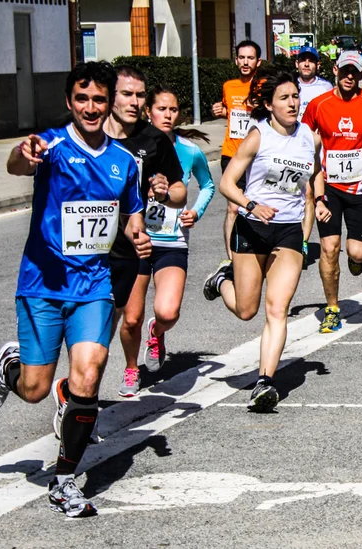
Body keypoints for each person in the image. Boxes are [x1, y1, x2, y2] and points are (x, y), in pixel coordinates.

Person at [0, 61, 149, 516]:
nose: (90, 108)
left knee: (89, 372)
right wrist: (23, 150)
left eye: (98, 99)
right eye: (81, 99)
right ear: (69, 102)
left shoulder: (123, 161)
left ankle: (64, 479)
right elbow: (18, 164)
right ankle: (10, 367)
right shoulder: (50, 146)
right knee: (35, 389)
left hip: (93, 285)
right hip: (42, 285)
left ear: (109, 101)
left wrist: (137, 233)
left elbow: (131, 216)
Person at [202, 69, 331, 412]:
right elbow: (227, 183)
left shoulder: (309, 137)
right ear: (270, 105)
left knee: (278, 309)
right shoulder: (258, 136)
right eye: (284, 98)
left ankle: (264, 382)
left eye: (295, 97)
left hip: (288, 230)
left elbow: (314, 171)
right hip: (253, 226)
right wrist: (251, 205)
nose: (292, 103)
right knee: (247, 310)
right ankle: (221, 280)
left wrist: (319, 201)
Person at [118, 85, 215, 397]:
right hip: (136, 242)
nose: (168, 115)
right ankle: (132, 369)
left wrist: (195, 212)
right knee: (130, 317)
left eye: (173, 110)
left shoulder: (189, 151)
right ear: (149, 112)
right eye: (161, 109)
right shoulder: (131, 147)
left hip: (172, 240)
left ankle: (156, 332)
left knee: (168, 312)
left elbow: (208, 184)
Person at [103, 66, 186, 393]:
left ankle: (143, 351)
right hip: (105, 245)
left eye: (140, 95)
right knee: (116, 322)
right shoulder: (92, 135)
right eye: (127, 94)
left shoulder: (154, 140)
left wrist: (167, 191)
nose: (135, 102)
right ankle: (122, 371)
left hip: (146, 240)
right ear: (111, 98)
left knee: (149, 314)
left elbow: (180, 192)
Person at [302, 51, 362, 333]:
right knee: (329, 248)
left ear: (361, 73)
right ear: (335, 70)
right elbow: (305, 141)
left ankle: (357, 260)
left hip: (360, 189)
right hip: (328, 187)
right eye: (345, 70)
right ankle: (332, 308)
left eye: (355, 71)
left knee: (356, 252)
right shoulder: (318, 105)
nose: (349, 76)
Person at [212, 40, 262, 259]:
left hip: (256, 155)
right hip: (231, 153)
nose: (245, 62)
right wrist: (221, 111)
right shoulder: (228, 86)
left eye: (250, 58)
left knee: (256, 204)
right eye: (241, 57)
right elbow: (231, 110)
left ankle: (256, 251)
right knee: (233, 207)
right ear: (236, 60)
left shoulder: (264, 85)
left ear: (258, 61)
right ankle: (231, 258)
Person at [295, 46, 333, 269]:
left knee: (310, 193)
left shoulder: (325, 87)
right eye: (303, 60)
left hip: (315, 148)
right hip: (291, 147)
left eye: (311, 61)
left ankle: (303, 242)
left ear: (317, 64)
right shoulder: (291, 84)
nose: (306, 64)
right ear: (297, 63)